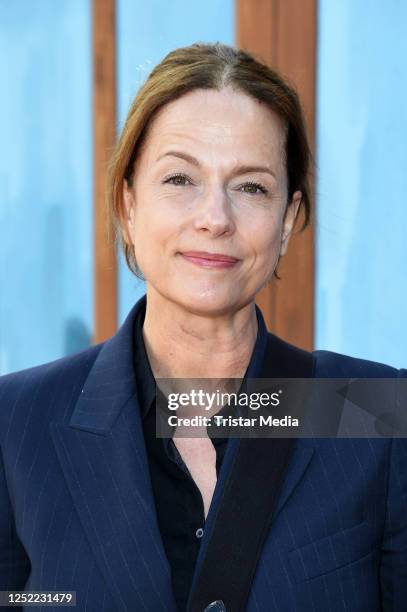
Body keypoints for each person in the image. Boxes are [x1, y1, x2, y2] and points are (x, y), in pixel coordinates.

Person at [0, 42, 406, 612]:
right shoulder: (17, 422)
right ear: (128, 205)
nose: (215, 218)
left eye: (250, 187)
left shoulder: (373, 413)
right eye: (179, 179)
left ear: (287, 223)